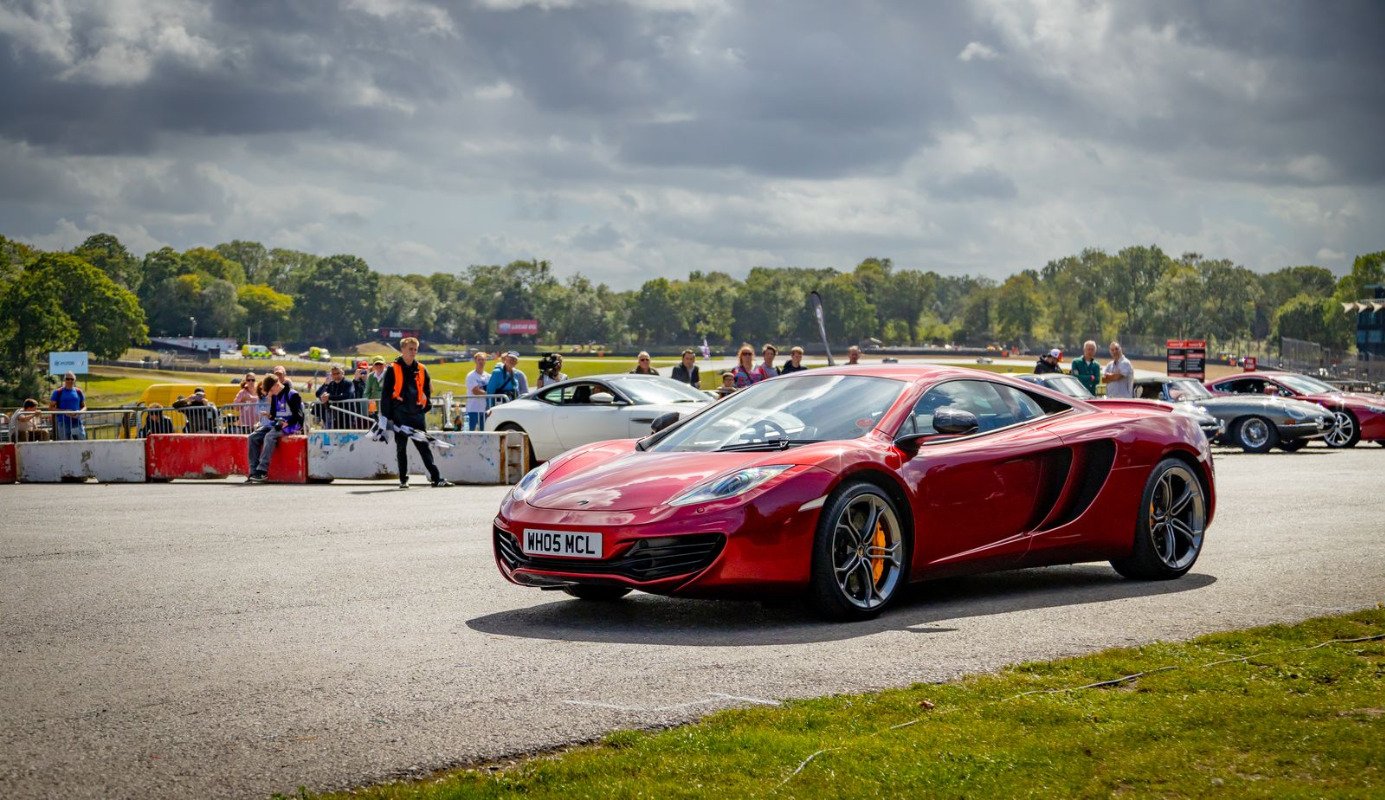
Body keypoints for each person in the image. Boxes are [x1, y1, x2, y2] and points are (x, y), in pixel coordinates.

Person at [380, 337, 450, 488]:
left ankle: (436, 478)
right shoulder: (392, 369)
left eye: (415, 349)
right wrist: (387, 416)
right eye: (410, 349)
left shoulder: (422, 369)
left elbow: (426, 391)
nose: (413, 352)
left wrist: (425, 408)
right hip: (399, 415)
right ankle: (403, 479)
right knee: (401, 448)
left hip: (417, 414)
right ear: (402, 350)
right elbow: (385, 394)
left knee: (424, 446)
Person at [246, 375, 304, 483]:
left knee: (270, 436)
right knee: (252, 437)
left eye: (271, 390)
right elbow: (274, 415)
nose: (270, 393)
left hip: (292, 424)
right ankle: (253, 472)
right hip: (277, 423)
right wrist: (269, 416)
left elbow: (299, 416)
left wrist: (287, 423)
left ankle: (262, 471)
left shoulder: (293, 395)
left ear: (277, 385)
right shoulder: (275, 396)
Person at [317, 365, 357, 429]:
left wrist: (329, 397)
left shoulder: (349, 383)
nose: (336, 375)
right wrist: (325, 385)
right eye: (334, 374)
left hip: (347, 415)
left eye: (338, 373)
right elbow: (318, 394)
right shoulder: (331, 384)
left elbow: (347, 395)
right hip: (334, 416)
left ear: (343, 373)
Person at [49, 372, 86, 440]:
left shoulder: (79, 392)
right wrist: (64, 411)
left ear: (74, 380)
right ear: (64, 380)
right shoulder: (58, 392)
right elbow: (51, 408)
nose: (70, 381)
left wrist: (79, 412)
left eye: (72, 379)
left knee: (82, 441)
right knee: (64, 443)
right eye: (67, 379)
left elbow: (84, 407)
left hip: (77, 422)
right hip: (63, 422)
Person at [464, 351, 491, 432]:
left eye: (483, 360)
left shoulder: (488, 376)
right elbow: (476, 391)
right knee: (470, 432)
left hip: (484, 410)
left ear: (485, 361)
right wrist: (488, 393)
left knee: (485, 432)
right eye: (479, 360)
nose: (481, 362)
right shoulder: (471, 376)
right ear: (475, 361)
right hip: (472, 410)